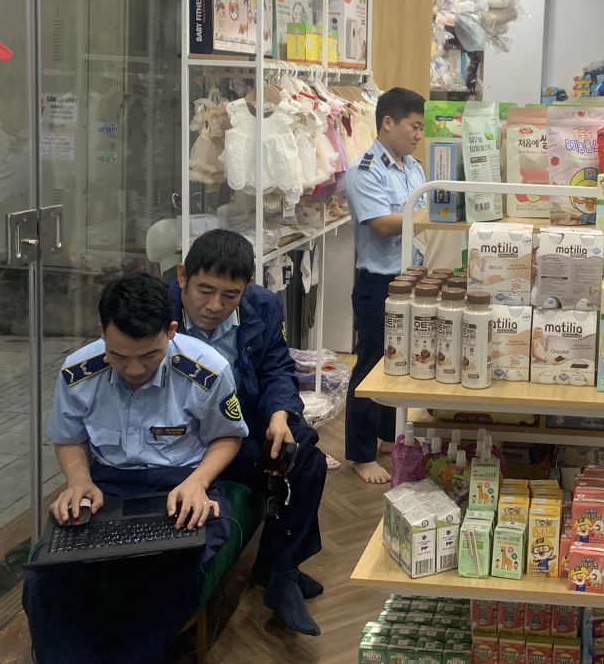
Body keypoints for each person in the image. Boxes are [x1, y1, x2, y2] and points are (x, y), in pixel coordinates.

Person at [23, 274, 248, 664]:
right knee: (46, 579)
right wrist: (78, 480)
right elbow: (69, 438)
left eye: (148, 356)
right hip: (106, 486)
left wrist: (198, 482)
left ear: (171, 331)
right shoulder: (78, 372)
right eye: (119, 356)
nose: (133, 369)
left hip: (182, 486)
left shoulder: (206, 370)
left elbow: (228, 437)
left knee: (174, 574)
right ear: (102, 332)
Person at [171, 228, 328, 636]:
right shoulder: (159, 310)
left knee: (303, 453)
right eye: (205, 291)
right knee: (288, 464)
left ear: (248, 287)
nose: (214, 306)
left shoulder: (263, 306)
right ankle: (280, 571)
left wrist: (279, 415)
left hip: (244, 418)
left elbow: (277, 368)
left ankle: (280, 572)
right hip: (188, 435)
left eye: (230, 295)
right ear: (183, 276)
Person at [343, 86, 426, 483]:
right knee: (371, 362)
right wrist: (430, 214)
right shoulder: (366, 171)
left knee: (399, 360)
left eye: (422, 128)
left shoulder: (413, 169)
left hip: (411, 277)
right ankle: (360, 455)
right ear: (388, 123)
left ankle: (386, 436)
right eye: (414, 126)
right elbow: (380, 225)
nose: (419, 135)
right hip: (379, 283)